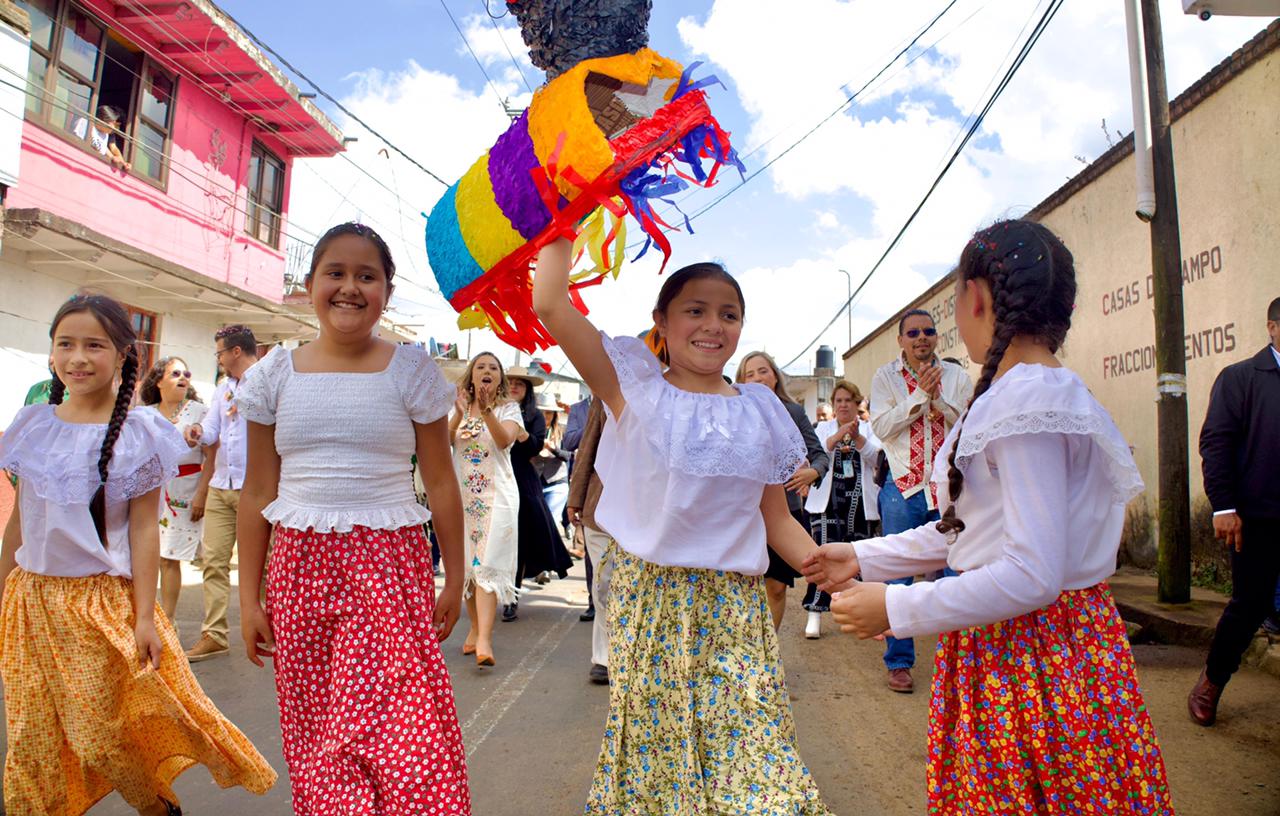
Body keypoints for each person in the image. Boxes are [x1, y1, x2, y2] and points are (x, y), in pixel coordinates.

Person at [804, 220, 1171, 814]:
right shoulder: (1044, 393)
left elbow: (1031, 575)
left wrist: (897, 607)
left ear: (976, 298)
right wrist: (862, 556)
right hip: (1048, 643)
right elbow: (974, 532)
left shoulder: (1025, 403)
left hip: (1028, 655)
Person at [534, 239, 832, 815]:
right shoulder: (633, 389)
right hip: (651, 600)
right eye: (696, 310)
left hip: (736, 606)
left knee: (755, 756)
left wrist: (833, 572)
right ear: (662, 322)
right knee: (661, 759)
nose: (713, 325)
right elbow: (549, 303)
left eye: (729, 314)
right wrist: (559, 212)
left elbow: (774, 518)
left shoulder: (760, 408)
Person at [0, 293, 275, 815]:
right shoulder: (32, 425)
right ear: (52, 351)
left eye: (94, 345)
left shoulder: (139, 434)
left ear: (124, 355)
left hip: (99, 606)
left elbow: (145, 530)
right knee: (32, 737)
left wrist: (145, 618)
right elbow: (19, 524)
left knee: (102, 734)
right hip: (30, 603)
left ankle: (155, 806)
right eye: (65, 344)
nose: (78, 357)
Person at [235, 223, 470, 812]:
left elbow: (441, 481)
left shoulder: (412, 371)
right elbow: (258, 489)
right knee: (318, 732)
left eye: (367, 276)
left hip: (388, 568)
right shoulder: (272, 375)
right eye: (334, 273)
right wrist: (248, 598)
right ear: (310, 283)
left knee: (404, 729)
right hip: (298, 571)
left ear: (386, 292)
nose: (349, 287)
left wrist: (455, 578)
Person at [868, 307, 973, 692]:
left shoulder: (957, 377)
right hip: (903, 487)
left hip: (949, 489)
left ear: (936, 337)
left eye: (927, 331)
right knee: (898, 576)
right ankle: (899, 662)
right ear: (901, 340)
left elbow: (969, 425)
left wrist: (939, 400)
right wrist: (918, 397)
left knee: (956, 574)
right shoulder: (885, 378)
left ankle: (958, 665)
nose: (921, 338)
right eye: (912, 333)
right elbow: (882, 427)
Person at [1189, 295, 1280, 726]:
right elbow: (1216, 442)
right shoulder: (1241, 378)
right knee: (1249, 606)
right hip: (1259, 517)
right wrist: (1223, 505)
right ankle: (1212, 680)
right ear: (1272, 328)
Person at [736, 350, 829, 632]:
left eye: (763, 371)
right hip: (745, 513)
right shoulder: (733, 413)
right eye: (749, 374)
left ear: (775, 376)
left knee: (776, 587)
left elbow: (819, 455)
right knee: (745, 586)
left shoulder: (793, 412)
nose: (757, 378)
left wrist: (814, 472)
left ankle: (771, 650)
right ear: (741, 381)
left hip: (786, 510)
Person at [182, 324, 258, 662]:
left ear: (236, 351)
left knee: (264, 565)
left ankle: (271, 630)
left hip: (256, 488)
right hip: (221, 485)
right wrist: (198, 432)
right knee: (213, 562)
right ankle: (214, 634)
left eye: (220, 353)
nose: (219, 360)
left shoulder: (267, 381)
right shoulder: (223, 388)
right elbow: (213, 430)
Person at [450, 352, 522, 664]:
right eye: (481, 367)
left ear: (499, 378)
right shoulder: (458, 406)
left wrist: (488, 410)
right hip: (462, 497)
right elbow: (443, 441)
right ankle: (475, 628)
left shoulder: (509, 408)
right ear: (471, 376)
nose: (487, 371)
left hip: (498, 498)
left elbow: (504, 440)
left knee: (488, 565)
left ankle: (484, 641)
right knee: (469, 566)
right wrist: (458, 414)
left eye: (493, 367)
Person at [802, 380, 879, 639]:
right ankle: (815, 612)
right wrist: (837, 436)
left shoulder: (869, 428)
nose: (843, 405)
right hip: (827, 503)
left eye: (848, 400)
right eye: (839, 401)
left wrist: (856, 437)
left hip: (860, 504)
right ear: (834, 405)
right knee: (821, 556)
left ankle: (861, 614)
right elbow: (814, 455)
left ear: (857, 404)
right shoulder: (822, 428)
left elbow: (877, 459)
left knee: (859, 560)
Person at [138, 356, 212, 622]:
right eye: (175, 374)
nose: (183, 378)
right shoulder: (144, 414)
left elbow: (212, 456)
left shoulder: (199, 412)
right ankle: (145, 613)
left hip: (185, 490)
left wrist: (202, 494)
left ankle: (168, 621)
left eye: (186, 374)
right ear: (158, 381)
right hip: (150, 490)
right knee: (147, 553)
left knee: (169, 557)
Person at [504, 367, 573, 621]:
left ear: (528, 389)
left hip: (521, 480)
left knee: (520, 540)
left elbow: (534, 447)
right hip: (492, 480)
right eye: (510, 382)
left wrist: (521, 432)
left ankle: (511, 596)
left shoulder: (533, 415)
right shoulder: (492, 410)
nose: (514, 386)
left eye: (520, 383)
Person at [566, 397, 612, 684]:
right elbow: (588, 447)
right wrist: (575, 497)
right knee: (604, 584)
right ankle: (604, 657)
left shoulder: (670, 389)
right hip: (601, 508)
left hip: (651, 512)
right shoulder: (604, 395)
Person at [536, 391, 572, 540]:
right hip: (534, 484)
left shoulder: (562, 432)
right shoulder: (527, 430)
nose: (545, 416)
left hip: (557, 484)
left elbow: (570, 456)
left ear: (555, 415)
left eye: (549, 413)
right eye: (541, 412)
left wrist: (554, 449)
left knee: (548, 523)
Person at [75, 105, 131, 171]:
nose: (114, 128)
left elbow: (105, 148)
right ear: (103, 121)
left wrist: (120, 162)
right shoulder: (85, 123)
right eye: (113, 123)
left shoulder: (105, 134)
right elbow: (77, 141)